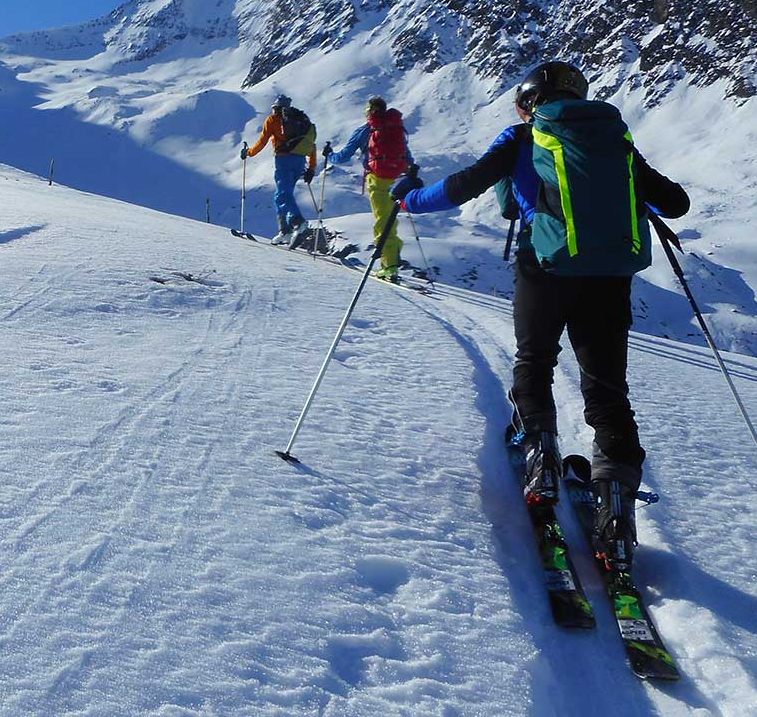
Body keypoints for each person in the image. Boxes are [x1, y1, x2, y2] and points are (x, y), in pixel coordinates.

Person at [391, 62, 689, 573]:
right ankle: (616, 515)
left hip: (544, 264)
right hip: (610, 274)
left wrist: (408, 197)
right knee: (607, 391)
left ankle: (541, 461)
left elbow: (463, 186)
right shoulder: (612, 137)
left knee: (534, 360)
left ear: (530, 102)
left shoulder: (524, 135)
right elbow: (676, 202)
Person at [323, 97, 413, 280]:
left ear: (369, 112)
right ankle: (392, 262)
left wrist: (329, 154)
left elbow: (343, 157)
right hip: (397, 180)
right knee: (390, 222)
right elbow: (407, 156)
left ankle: (389, 267)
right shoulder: (396, 128)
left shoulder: (365, 131)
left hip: (378, 180)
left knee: (383, 223)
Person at [242, 94, 318, 243]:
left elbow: (262, 141)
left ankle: (298, 222)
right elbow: (310, 144)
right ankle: (285, 231)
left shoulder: (273, 120)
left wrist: (248, 153)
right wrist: (311, 167)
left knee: (283, 194)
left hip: (283, 159)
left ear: (275, 106)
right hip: (300, 161)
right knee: (280, 196)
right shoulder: (300, 121)